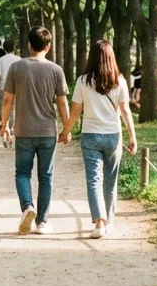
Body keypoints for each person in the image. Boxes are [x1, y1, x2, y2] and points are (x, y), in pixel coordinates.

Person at [59, 40, 138, 239]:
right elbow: (125, 111)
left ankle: (99, 222)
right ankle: (109, 220)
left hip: (90, 135)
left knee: (93, 180)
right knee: (110, 181)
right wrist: (132, 137)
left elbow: (76, 111)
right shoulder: (119, 80)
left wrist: (65, 131)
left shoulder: (83, 81)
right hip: (113, 135)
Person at [0, 27, 69, 235]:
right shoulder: (56, 70)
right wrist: (66, 129)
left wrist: (5, 126)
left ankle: (27, 206)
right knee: (46, 176)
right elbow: (63, 102)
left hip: (23, 130)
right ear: (48, 46)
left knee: (22, 173)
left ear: (29, 45)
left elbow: (7, 100)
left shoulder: (17, 67)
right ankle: (42, 222)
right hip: (48, 131)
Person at [0, 39, 22, 147]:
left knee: (2, 107)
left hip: (3, 87)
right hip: (16, 87)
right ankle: (11, 126)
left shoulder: (1, 60)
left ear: (4, 48)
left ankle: (4, 124)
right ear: (14, 48)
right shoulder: (19, 60)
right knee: (13, 109)